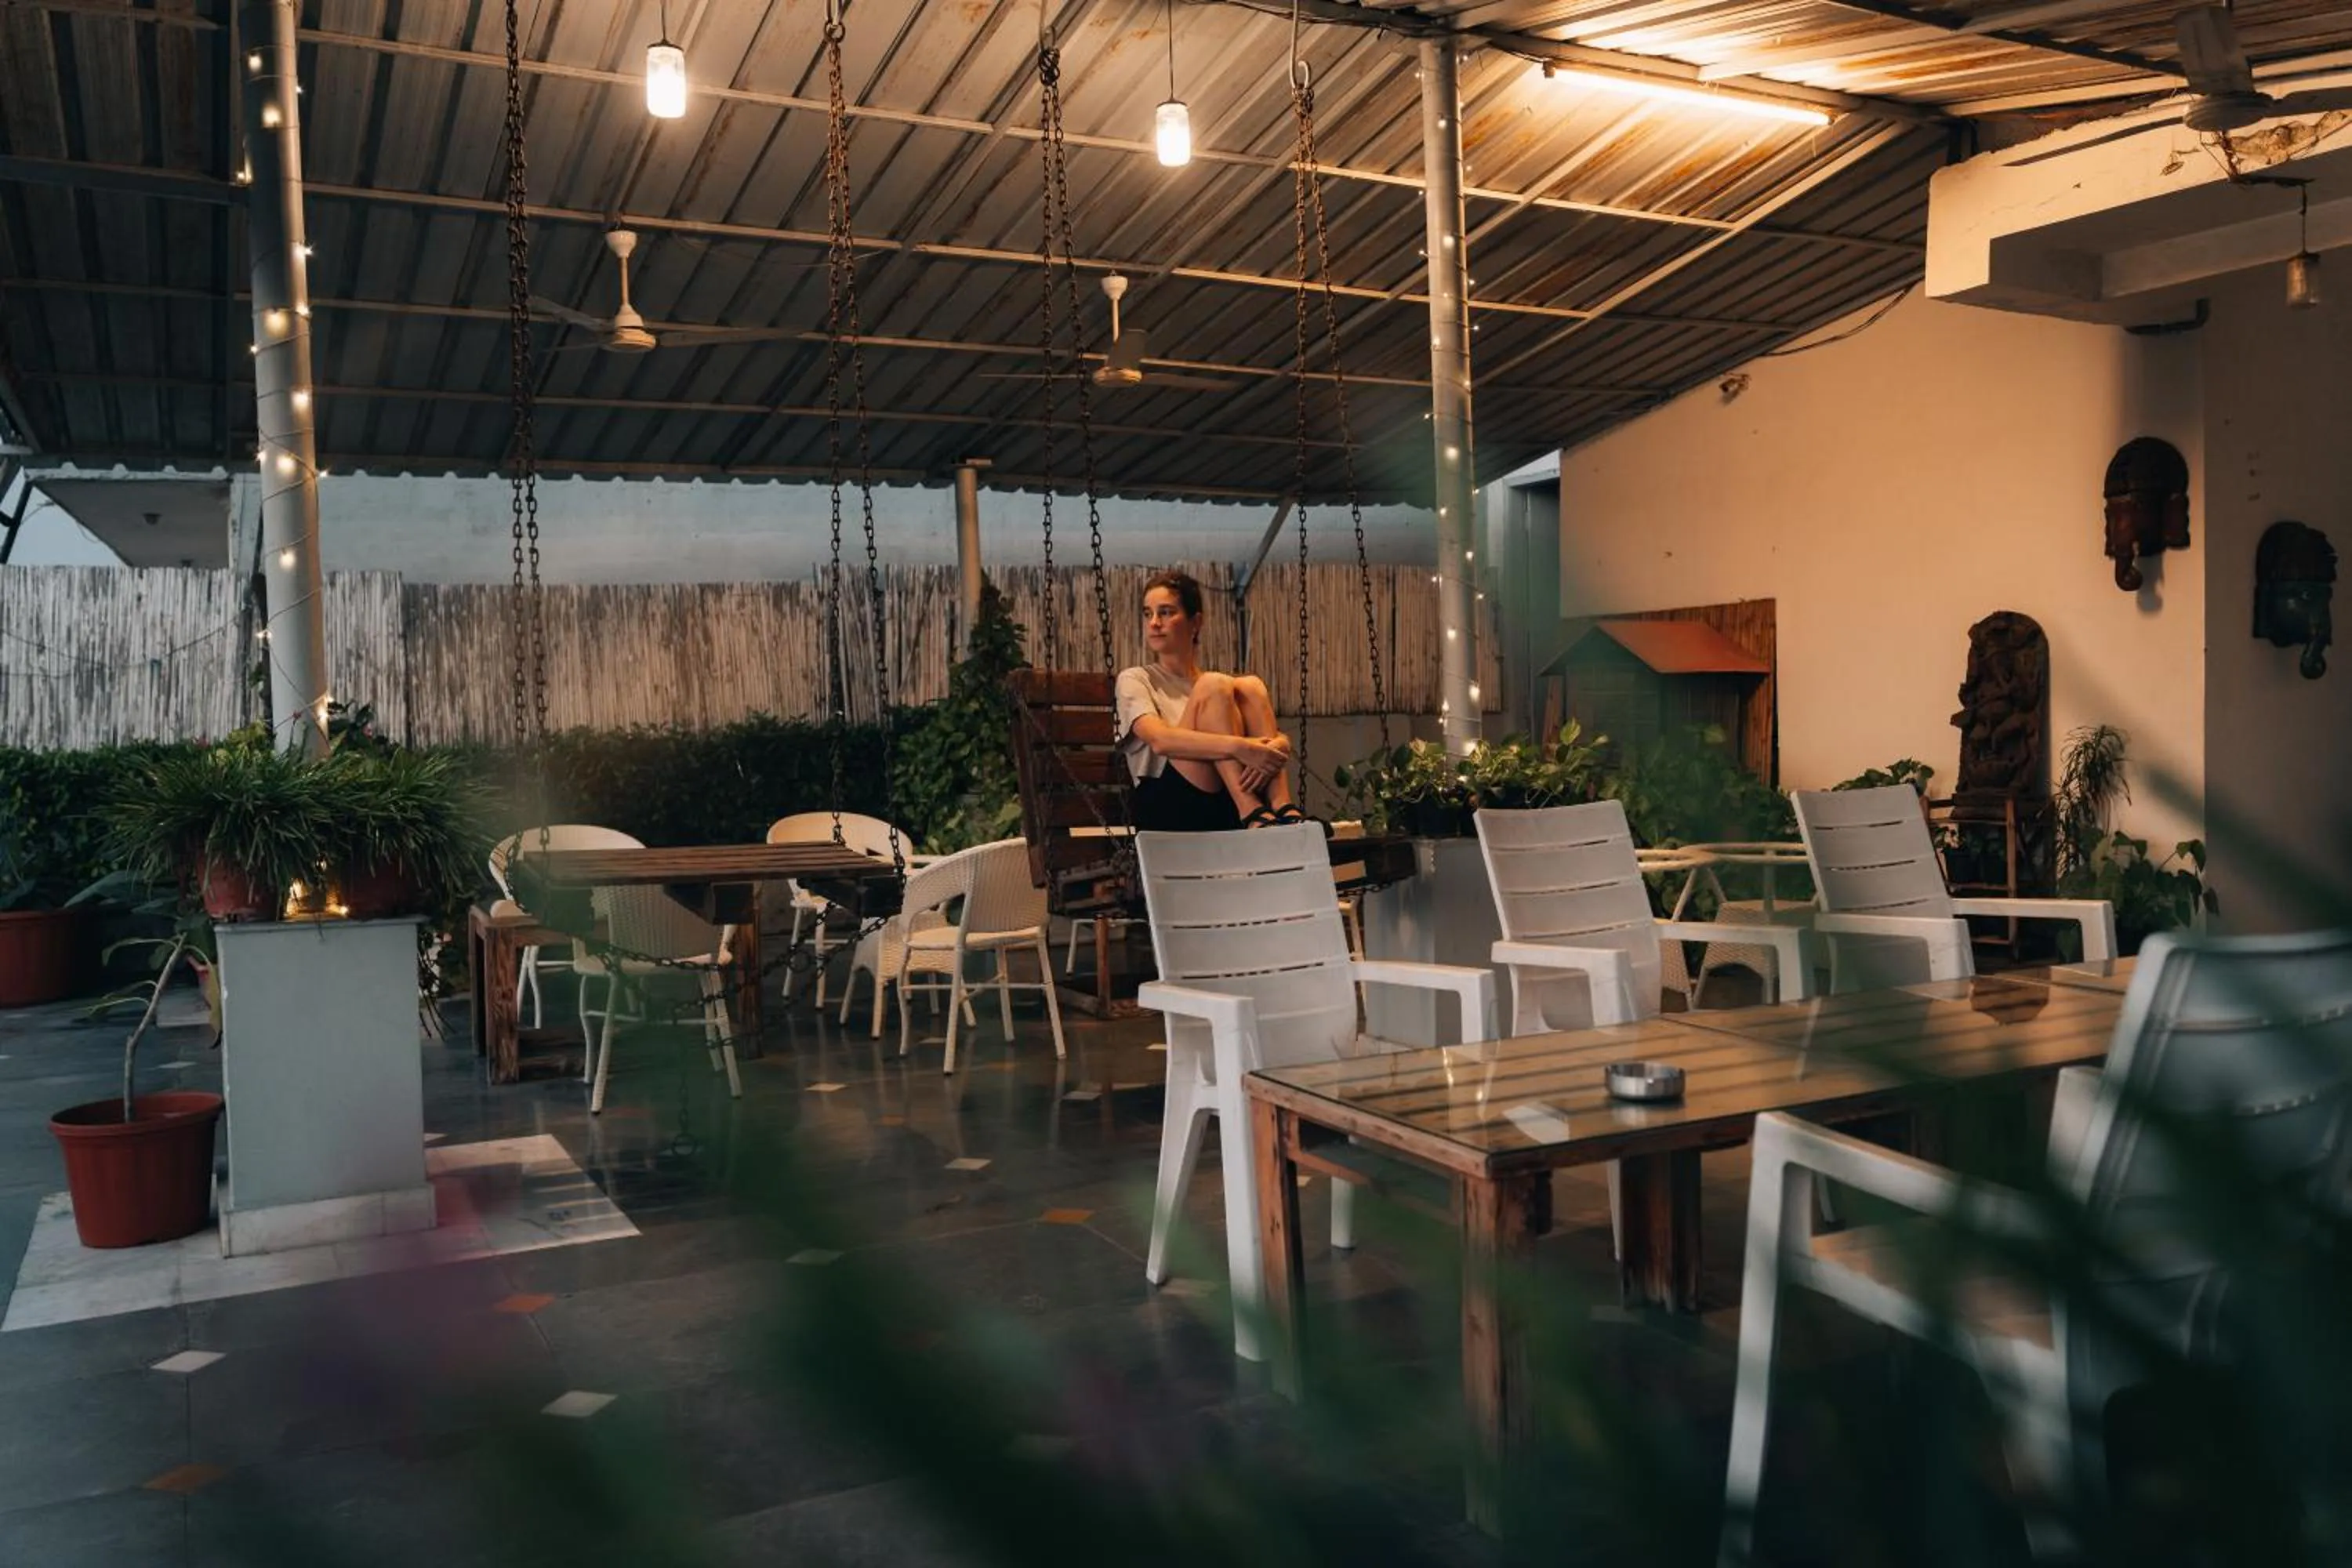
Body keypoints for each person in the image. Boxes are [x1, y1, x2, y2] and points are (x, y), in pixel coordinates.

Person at [1114, 569, 1307, 831]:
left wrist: (1281, 744)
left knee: (1250, 686)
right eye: (1148, 614)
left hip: (1222, 798)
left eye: (1166, 612)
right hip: (1168, 803)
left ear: (1196, 622)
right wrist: (1239, 748)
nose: (1154, 623)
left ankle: (1282, 806)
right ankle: (1250, 810)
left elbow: (1261, 733)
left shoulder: (1218, 690)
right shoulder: (1136, 679)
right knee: (1215, 685)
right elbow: (1161, 741)